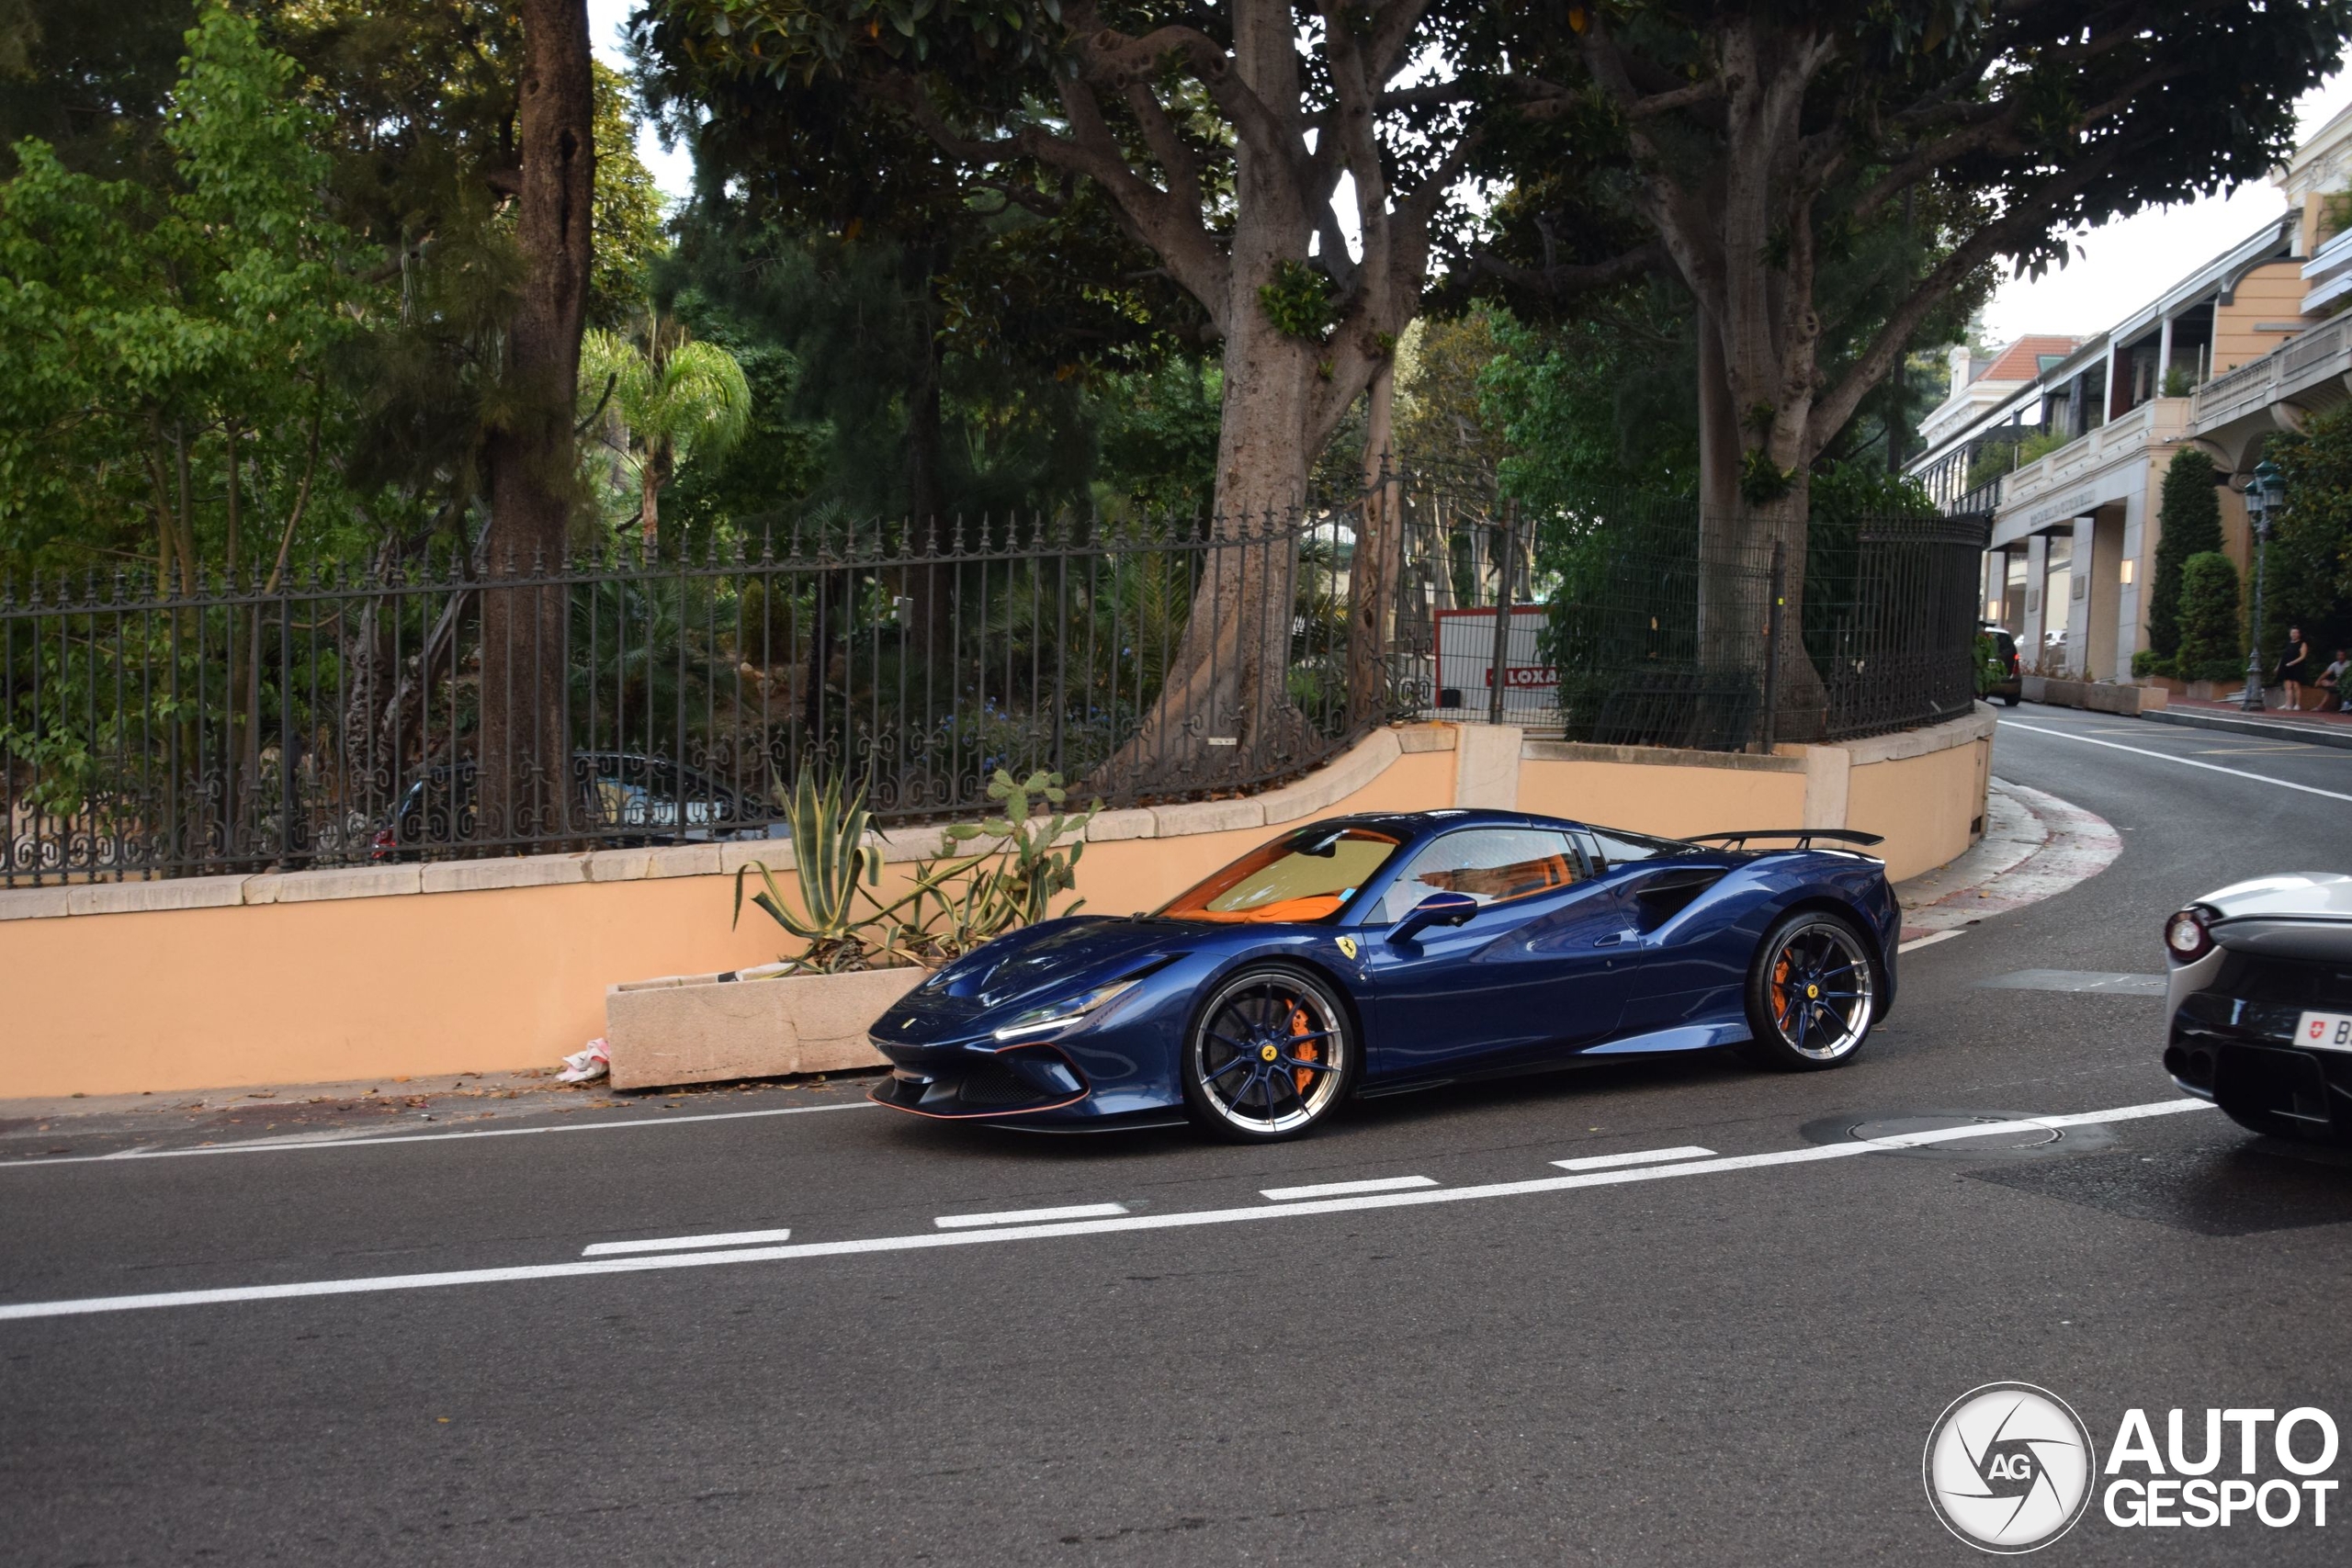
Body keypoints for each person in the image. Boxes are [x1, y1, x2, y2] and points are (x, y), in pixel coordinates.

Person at [2281, 626, 2312, 710]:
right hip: (2286, 666)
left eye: (2295, 633)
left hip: (2297, 666)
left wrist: (2292, 663)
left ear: (2299, 634)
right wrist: (2278, 666)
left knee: (2296, 685)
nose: (2293, 634)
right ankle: (2288, 703)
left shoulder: (2302, 643)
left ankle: (2298, 704)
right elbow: (2284, 656)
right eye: (2292, 633)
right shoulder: (2288, 643)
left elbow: (2303, 656)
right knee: (2287, 686)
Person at [2319, 649, 2351, 713]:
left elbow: (2343, 676)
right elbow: (2326, 673)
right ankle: (2320, 707)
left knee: (2344, 689)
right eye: (2338, 655)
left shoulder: (2349, 664)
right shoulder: (2335, 664)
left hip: (2346, 685)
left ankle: (2345, 707)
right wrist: (2318, 681)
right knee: (2327, 686)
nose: (2340, 657)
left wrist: (2334, 682)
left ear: (2345, 656)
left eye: (2342, 655)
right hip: (2337, 684)